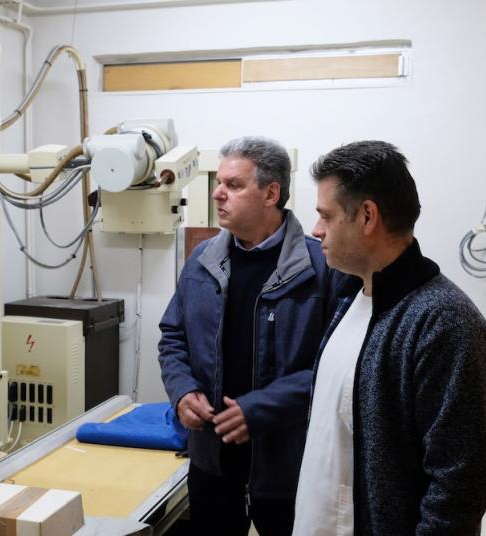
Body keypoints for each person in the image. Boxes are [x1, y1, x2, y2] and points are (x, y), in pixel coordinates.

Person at [292, 140, 486, 535]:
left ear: (367, 216)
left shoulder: (446, 324)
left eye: (326, 216)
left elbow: (458, 488)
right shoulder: (352, 297)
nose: (316, 231)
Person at [158, 136, 336, 535]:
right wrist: (183, 391)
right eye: (219, 183)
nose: (217, 193)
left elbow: (338, 368)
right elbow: (173, 335)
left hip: (288, 468)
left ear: (271, 193)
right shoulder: (202, 260)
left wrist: (262, 409)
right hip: (211, 463)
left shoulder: (321, 269)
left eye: (234, 185)